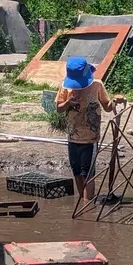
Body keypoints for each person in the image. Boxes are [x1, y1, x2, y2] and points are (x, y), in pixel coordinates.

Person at [55, 57, 115, 204]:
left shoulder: (96, 85)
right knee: (76, 172)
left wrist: (114, 102)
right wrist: (68, 102)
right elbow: (58, 109)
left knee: (87, 173)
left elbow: (107, 106)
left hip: (90, 138)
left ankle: (87, 204)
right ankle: (82, 201)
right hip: (72, 137)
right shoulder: (66, 87)